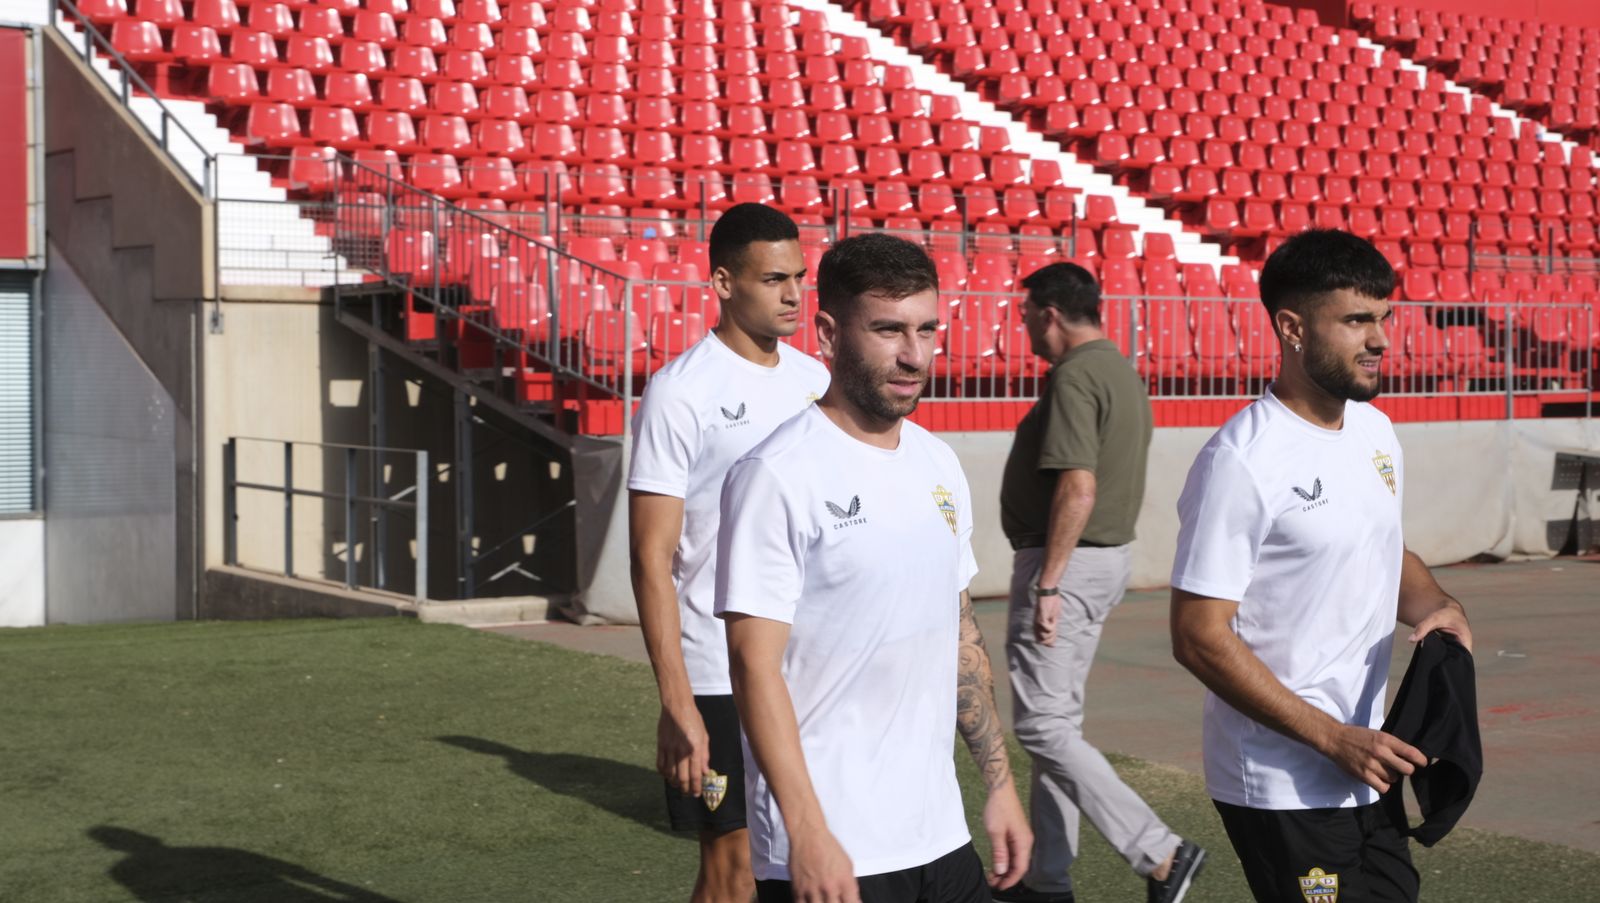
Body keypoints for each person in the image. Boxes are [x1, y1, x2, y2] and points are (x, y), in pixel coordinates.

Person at [716, 233, 1032, 903]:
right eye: (888, 330)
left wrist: (999, 784)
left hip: (940, 836)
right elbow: (752, 665)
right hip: (834, 850)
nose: (913, 354)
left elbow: (959, 628)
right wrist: (807, 830)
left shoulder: (938, 462)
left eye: (926, 329)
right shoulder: (775, 474)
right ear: (828, 331)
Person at [1168, 229, 1473, 903]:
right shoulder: (1241, 461)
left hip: (1366, 762)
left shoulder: (1374, 430)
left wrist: (1435, 607)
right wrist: (1331, 737)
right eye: (1357, 320)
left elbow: (1384, 548)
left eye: (1384, 318)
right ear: (1292, 327)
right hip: (1281, 779)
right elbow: (1197, 633)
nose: (1381, 339)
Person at [628, 203, 831, 903]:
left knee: (812, 852)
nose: (794, 295)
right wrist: (676, 700)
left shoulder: (815, 384)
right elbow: (651, 558)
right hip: (719, 673)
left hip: (810, 666)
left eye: (799, 278)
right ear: (721, 281)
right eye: (774, 279)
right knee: (733, 867)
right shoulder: (680, 392)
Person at [993, 263, 1206, 903]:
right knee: (1057, 727)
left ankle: (1162, 852)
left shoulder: (1078, 375)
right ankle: (1046, 880)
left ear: (1051, 313)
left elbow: (1078, 484)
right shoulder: (1116, 368)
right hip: (1100, 560)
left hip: (1069, 564)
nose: (1024, 320)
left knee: (1042, 730)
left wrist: (1049, 584)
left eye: (1028, 310)